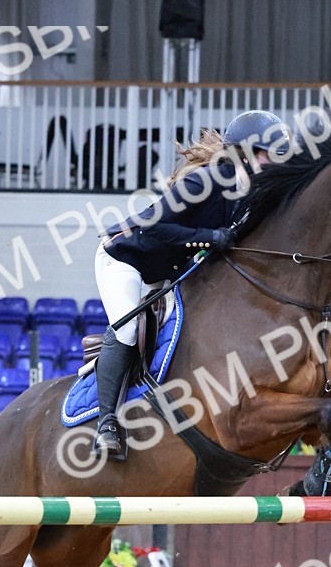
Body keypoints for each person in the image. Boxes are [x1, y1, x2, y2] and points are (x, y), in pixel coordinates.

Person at [92, 110, 290, 460]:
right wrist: (208, 237)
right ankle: (106, 425)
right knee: (126, 329)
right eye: (266, 154)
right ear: (243, 153)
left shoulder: (250, 195)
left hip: (169, 268)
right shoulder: (204, 182)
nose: (273, 163)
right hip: (125, 261)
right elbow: (153, 226)